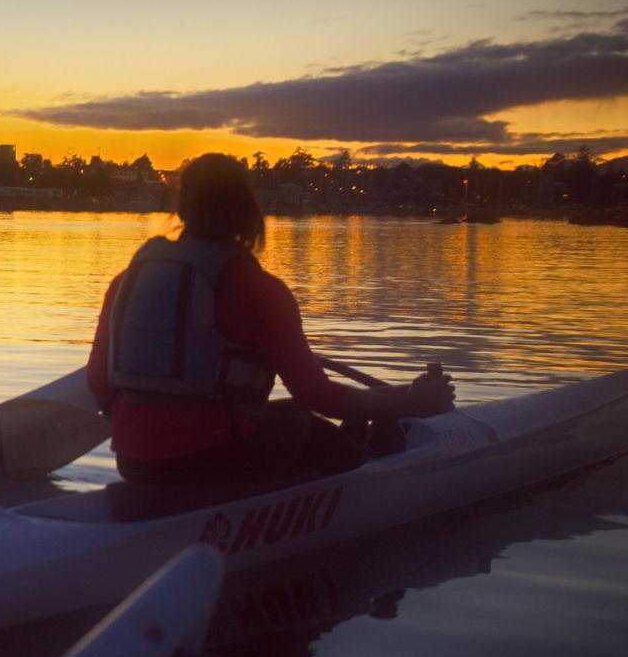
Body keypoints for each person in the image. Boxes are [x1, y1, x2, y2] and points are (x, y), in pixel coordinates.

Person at [84, 153, 455, 484]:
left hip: (135, 464)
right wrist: (413, 404)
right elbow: (319, 396)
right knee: (313, 429)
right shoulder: (261, 289)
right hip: (213, 465)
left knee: (297, 416)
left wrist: (403, 394)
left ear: (182, 210)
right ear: (248, 210)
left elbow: (98, 382)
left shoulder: (125, 281)